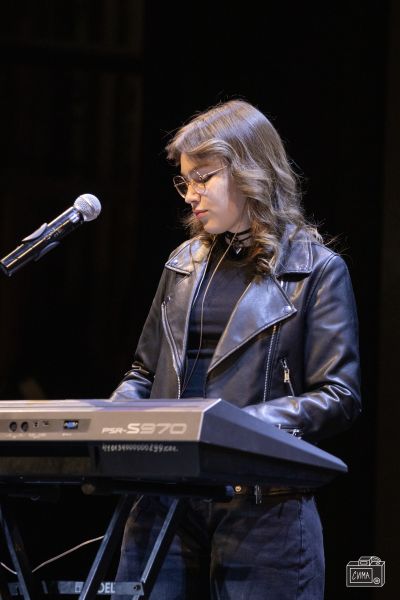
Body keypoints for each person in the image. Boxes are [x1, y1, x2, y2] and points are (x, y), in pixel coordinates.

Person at [110, 99, 361, 599]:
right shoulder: (182, 263)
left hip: (263, 508)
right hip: (165, 500)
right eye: (185, 181)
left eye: (203, 178)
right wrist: (114, 422)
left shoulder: (316, 269)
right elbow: (143, 372)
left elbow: (339, 395)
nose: (190, 194)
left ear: (249, 172)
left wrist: (232, 426)